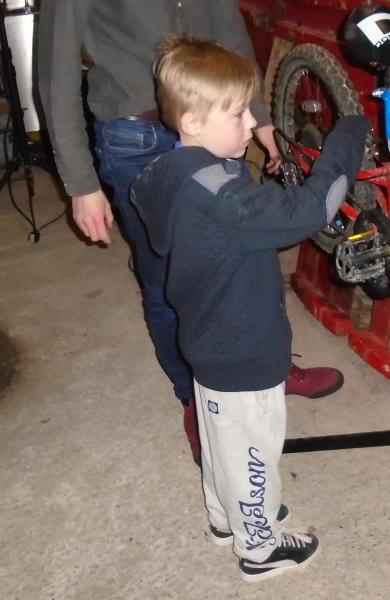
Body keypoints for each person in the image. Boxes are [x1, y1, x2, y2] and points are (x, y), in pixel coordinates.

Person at [37, 0, 346, 465]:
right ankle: (195, 398)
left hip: (220, 123)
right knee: (168, 278)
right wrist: (81, 184)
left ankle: (270, 369)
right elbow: (57, 70)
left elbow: (230, 32)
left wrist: (256, 116)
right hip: (136, 134)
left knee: (249, 257)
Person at [131, 36, 369, 580]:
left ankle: (225, 516)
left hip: (208, 341)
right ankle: (259, 545)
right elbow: (313, 208)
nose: (248, 126)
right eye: (236, 114)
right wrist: (348, 134)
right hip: (244, 346)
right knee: (254, 451)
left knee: (222, 442)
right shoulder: (224, 194)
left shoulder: (170, 174)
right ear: (191, 120)